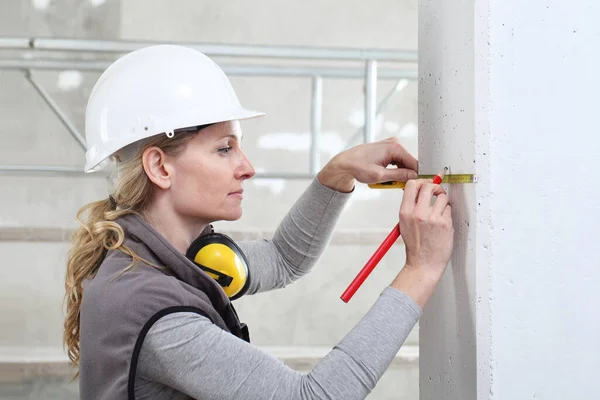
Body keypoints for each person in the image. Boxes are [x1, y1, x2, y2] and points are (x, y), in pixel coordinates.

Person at [63, 44, 454, 400]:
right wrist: (420, 270)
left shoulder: (170, 260)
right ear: (160, 166)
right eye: (224, 149)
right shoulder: (151, 310)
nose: (247, 168)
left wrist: (337, 174)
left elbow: (284, 259)